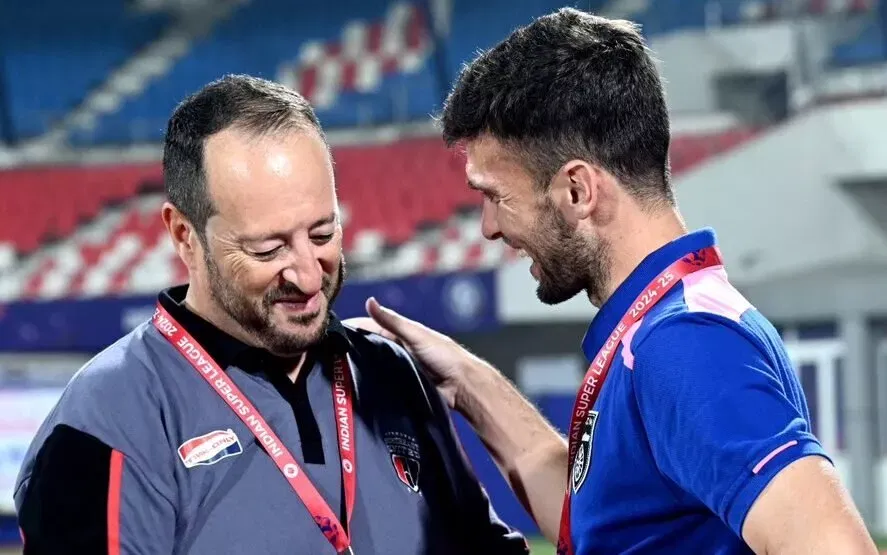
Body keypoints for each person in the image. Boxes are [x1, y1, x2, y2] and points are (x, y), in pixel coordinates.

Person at [344, 8, 879, 555]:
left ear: (577, 190)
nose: (488, 226)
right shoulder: (658, 328)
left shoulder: (685, 344)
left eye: (497, 197)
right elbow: (604, 526)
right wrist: (464, 378)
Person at [13, 74, 529, 555]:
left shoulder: (392, 376)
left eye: (323, 234)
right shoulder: (109, 417)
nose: (307, 275)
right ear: (184, 236)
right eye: (268, 249)